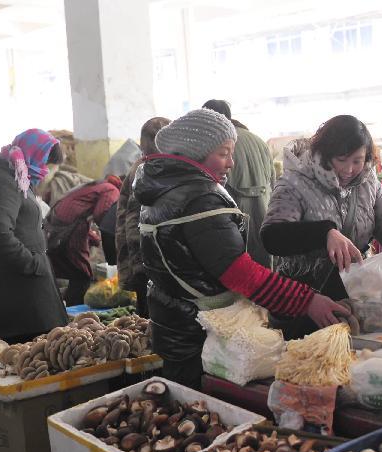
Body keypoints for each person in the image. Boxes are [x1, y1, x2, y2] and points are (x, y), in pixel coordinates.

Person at [135, 108, 346, 388]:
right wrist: (306, 301)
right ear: (196, 152)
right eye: (224, 153)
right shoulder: (200, 199)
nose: (231, 163)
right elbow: (239, 273)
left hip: (175, 324)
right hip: (200, 335)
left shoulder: (163, 189)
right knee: (203, 404)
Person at [262, 115, 382, 339]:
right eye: (342, 159)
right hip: (305, 301)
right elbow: (272, 237)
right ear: (325, 153)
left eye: (357, 160)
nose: (349, 169)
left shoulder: (368, 182)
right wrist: (324, 233)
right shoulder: (296, 182)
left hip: (356, 297)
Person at [0, 129, 68, 342]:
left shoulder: (17, 175)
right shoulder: (4, 180)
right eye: (46, 162)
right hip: (18, 291)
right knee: (31, 363)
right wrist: (34, 264)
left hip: (23, 286)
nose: (45, 170)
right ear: (35, 154)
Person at [202, 99, 277, 267]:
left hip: (233, 219)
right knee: (265, 277)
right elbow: (273, 183)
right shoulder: (258, 141)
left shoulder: (215, 144)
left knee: (239, 274)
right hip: (264, 215)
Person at [116, 117, 170, 317]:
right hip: (147, 263)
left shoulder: (151, 166)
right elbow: (132, 222)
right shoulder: (146, 170)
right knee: (152, 321)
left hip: (146, 261)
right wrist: (141, 267)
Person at [45, 175, 121, 305]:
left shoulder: (96, 186)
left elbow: (84, 214)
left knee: (71, 271)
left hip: (57, 226)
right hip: (70, 228)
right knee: (82, 273)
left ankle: (65, 307)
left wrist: (93, 237)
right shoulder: (112, 190)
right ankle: (75, 310)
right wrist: (115, 233)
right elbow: (102, 214)